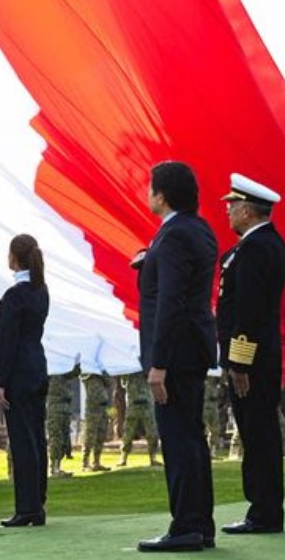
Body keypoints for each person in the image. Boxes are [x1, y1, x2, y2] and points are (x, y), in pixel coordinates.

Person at [135, 162, 217, 553]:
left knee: (180, 440)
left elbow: (170, 302)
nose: (148, 193)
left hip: (175, 354)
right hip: (194, 349)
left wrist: (158, 363)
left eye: (151, 188)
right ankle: (201, 524)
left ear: (162, 195)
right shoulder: (198, 230)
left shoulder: (172, 238)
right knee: (193, 438)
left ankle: (185, 525)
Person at [216, 173, 285, 535]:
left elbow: (248, 311)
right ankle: (263, 508)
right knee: (257, 432)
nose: (228, 212)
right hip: (257, 356)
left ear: (246, 210)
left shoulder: (258, 249)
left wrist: (239, 361)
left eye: (232, 206)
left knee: (259, 434)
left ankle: (265, 512)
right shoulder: (255, 246)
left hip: (253, 360)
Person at [0, 234, 49, 527]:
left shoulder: (15, 296)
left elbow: (7, 343)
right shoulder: (41, 291)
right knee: (37, 438)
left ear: (14, 258)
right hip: (37, 366)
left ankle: (27, 507)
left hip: (19, 373)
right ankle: (37, 502)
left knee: (23, 441)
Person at [118, 372, 161, 467]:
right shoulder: (129, 367)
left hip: (147, 403)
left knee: (152, 431)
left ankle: (153, 457)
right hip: (133, 402)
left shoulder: (147, 365)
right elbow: (123, 382)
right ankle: (123, 457)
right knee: (128, 432)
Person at [46, 364, 77, 478]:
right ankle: (53, 468)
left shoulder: (63, 371)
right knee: (56, 438)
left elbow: (74, 372)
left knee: (63, 439)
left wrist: (76, 362)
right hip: (55, 409)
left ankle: (58, 466)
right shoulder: (51, 372)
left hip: (65, 409)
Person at [80, 371, 112, 472]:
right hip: (92, 407)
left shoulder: (101, 371)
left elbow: (109, 382)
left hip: (102, 406)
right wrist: (94, 370)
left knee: (101, 434)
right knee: (90, 434)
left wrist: (102, 372)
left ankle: (96, 462)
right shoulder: (87, 370)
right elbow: (83, 376)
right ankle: (85, 463)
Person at [203, 374, 222, 457]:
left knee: (215, 429)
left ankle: (212, 450)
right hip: (204, 402)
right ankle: (203, 450)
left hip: (214, 403)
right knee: (203, 428)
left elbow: (222, 380)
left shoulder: (216, 376)